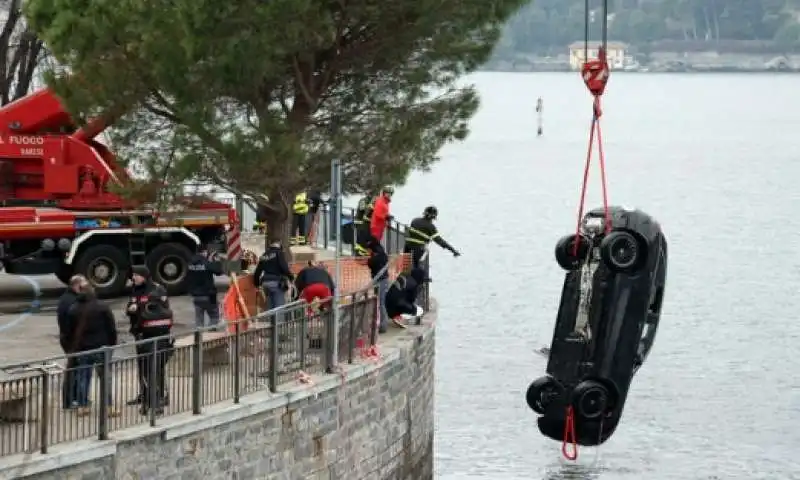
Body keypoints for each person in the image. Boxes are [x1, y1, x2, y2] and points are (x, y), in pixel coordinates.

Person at [61, 281, 119, 417]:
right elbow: (111, 329)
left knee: (83, 378)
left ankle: (83, 406)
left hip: (83, 349)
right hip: (102, 348)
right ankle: (108, 406)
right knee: (105, 378)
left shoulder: (74, 309)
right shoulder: (103, 307)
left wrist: (72, 347)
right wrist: (111, 345)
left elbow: (68, 331)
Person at [126, 266, 173, 414]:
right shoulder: (135, 289)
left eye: (136, 275)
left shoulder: (157, 290)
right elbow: (129, 307)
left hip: (155, 334)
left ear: (144, 276)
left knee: (156, 366)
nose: (133, 278)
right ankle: (145, 394)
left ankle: (159, 397)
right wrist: (131, 309)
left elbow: (159, 311)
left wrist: (138, 307)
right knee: (143, 366)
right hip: (140, 334)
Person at [57, 275, 82, 409]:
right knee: (74, 369)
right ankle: (71, 399)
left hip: (68, 339)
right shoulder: (72, 301)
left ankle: (73, 398)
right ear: (77, 286)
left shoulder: (66, 298)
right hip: (72, 340)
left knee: (73, 368)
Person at [187, 243, 224, 329]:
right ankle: (210, 336)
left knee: (199, 320)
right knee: (214, 317)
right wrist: (217, 261)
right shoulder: (206, 263)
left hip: (196, 296)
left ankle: (199, 339)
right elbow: (219, 271)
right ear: (205, 252)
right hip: (209, 295)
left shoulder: (190, 263)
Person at [253, 240, 294, 310]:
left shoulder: (264, 255)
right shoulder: (279, 253)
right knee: (279, 307)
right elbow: (284, 267)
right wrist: (291, 277)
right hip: (276, 282)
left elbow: (258, 271)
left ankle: (271, 320)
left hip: (265, 283)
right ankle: (278, 320)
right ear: (279, 246)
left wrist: (256, 283)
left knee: (270, 306)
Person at [367, 244, 390, 333]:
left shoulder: (375, 258)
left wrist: (370, 259)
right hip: (380, 281)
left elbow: (370, 263)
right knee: (379, 302)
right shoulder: (383, 256)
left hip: (381, 281)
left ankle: (383, 325)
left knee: (380, 303)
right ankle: (379, 323)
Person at [368, 185, 394, 254]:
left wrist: (388, 216)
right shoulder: (381, 201)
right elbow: (378, 213)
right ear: (384, 193)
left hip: (380, 226)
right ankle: (374, 258)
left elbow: (384, 212)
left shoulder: (386, 202)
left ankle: (374, 256)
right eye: (387, 193)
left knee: (376, 243)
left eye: (390, 193)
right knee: (375, 244)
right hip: (376, 226)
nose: (389, 195)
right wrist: (386, 217)